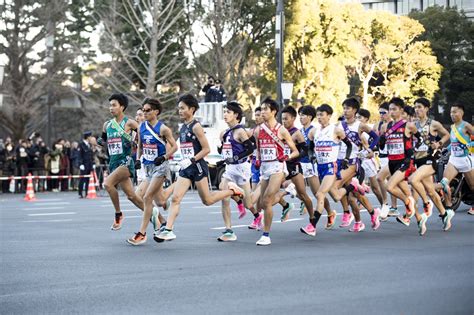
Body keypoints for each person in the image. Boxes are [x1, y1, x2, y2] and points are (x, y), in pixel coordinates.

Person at [155, 94, 244, 242]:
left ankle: (232, 191)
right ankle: (169, 229)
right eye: (179, 108)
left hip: (198, 167)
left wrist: (191, 160)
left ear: (192, 109)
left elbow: (206, 149)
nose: (180, 111)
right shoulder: (183, 127)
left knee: (208, 200)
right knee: (176, 198)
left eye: (183, 108)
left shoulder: (196, 127)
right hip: (186, 168)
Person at [126, 98, 178, 245]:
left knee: (147, 197)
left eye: (148, 110)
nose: (145, 112)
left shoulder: (163, 129)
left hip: (160, 167)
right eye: (143, 110)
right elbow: (141, 147)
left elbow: (174, 146)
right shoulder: (141, 127)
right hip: (148, 167)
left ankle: (142, 233)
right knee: (158, 200)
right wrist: (137, 159)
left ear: (156, 111)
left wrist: (164, 157)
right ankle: (162, 221)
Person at [252, 97, 298, 246]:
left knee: (267, 200)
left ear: (273, 112)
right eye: (261, 109)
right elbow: (258, 150)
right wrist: (257, 159)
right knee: (260, 205)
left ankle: (266, 235)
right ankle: (287, 191)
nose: (262, 112)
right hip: (265, 168)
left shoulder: (281, 130)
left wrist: (287, 156)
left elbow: (295, 151)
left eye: (265, 109)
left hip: (278, 168)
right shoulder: (258, 130)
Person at [98, 93, 145, 230]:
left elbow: (143, 135)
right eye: (110, 105)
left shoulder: (129, 122)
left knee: (107, 184)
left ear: (122, 107)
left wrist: (137, 153)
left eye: (114, 105)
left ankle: (118, 214)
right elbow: (103, 139)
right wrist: (101, 142)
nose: (111, 108)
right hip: (113, 163)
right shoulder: (107, 125)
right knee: (132, 196)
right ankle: (158, 219)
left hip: (126, 162)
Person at [408, 97, 452, 235]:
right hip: (417, 160)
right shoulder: (413, 125)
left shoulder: (434, 124)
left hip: (430, 160)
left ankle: (426, 203)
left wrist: (438, 144)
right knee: (430, 190)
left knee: (413, 180)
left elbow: (446, 135)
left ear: (427, 108)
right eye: (415, 107)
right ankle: (444, 214)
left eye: (420, 107)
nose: (417, 110)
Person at [215, 101, 258, 241]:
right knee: (224, 195)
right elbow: (225, 151)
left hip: (242, 169)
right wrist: (221, 153)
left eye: (228, 112)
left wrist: (236, 157)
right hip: (230, 169)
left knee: (248, 203)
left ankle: (256, 215)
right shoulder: (224, 133)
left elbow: (250, 149)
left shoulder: (240, 131)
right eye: (225, 112)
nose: (225, 114)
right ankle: (229, 230)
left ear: (236, 115)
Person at [378, 98, 420, 226]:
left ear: (401, 110)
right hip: (392, 162)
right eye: (390, 109)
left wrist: (415, 153)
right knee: (407, 192)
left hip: (405, 161)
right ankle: (418, 218)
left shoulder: (408, 125)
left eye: (394, 109)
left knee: (390, 187)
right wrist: (381, 140)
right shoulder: (386, 126)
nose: (392, 112)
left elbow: (422, 139)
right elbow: (382, 145)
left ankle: (407, 202)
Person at [298, 105, 336, 228]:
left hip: (312, 165)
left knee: (318, 193)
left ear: (309, 117)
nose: (300, 117)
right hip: (300, 164)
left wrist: (310, 156)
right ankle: (308, 211)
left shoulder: (314, 130)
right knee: (292, 186)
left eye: (303, 115)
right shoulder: (300, 131)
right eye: (299, 115)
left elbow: (311, 148)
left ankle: (330, 213)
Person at [439, 103, 473, 222]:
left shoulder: (466, 126)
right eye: (451, 112)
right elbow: (454, 143)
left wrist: (470, 144)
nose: (452, 114)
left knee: (472, 186)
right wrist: (446, 149)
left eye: (455, 112)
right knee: (444, 183)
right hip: (454, 159)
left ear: (462, 113)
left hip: (465, 160)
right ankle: (448, 209)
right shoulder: (453, 127)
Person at [78, 131, 94, 198]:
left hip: (89, 164)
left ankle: (87, 193)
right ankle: (80, 193)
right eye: (90, 136)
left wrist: (93, 163)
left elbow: (91, 155)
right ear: (87, 137)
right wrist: (81, 164)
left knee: (88, 179)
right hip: (84, 165)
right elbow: (79, 155)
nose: (91, 138)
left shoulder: (89, 144)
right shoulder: (81, 144)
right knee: (82, 179)